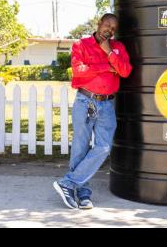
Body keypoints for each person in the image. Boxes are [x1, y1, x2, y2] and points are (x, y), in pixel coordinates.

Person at [53, 13, 132, 209]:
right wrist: (107, 65)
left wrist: (110, 53)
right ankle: (83, 193)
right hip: (85, 101)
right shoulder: (81, 44)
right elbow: (79, 71)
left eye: (113, 28)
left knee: (104, 147)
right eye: (107, 25)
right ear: (99, 24)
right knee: (80, 147)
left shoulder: (118, 47)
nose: (110, 31)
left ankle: (68, 183)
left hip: (107, 104)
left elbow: (125, 71)